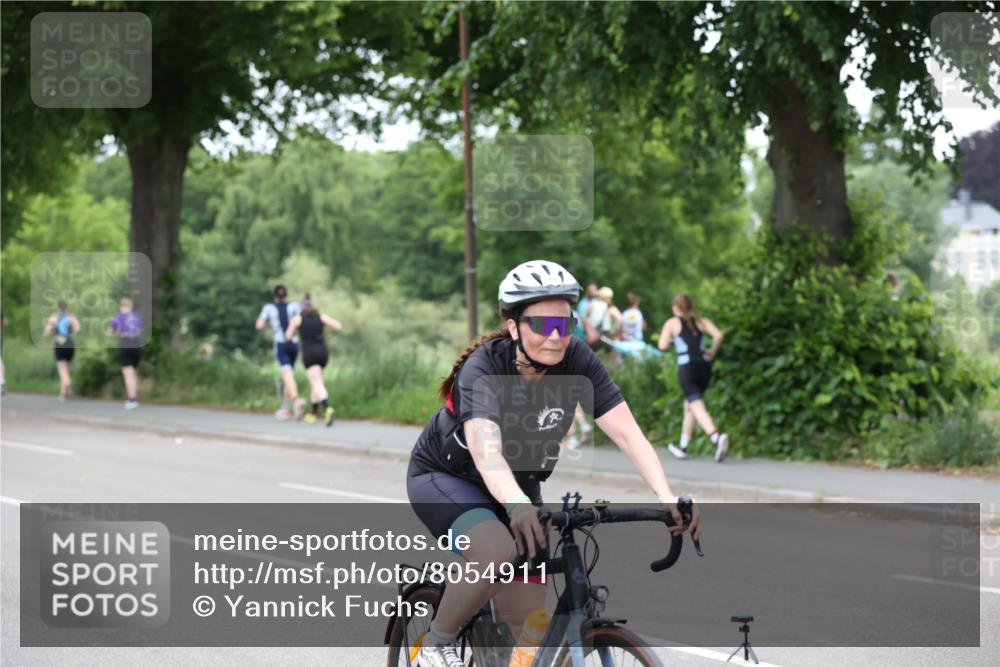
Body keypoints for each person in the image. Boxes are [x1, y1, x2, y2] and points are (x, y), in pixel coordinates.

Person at [407, 260, 701, 666]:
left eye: (565, 324)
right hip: (448, 478)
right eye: (542, 325)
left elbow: (628, 434)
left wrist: (665, 494)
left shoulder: (577, 360)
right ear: (514, 327)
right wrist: (516, 505)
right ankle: (436, 645)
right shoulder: (484, 369)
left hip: (520, 486)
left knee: (528, 628)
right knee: (495, 552)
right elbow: (485, 449)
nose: (556, 336)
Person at [657, 293, 729, 462]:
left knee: (696, 405)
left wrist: (672, 341)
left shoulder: (672, 323)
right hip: (704, 367)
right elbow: (719, 335)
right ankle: (683, 446)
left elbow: (662, 345)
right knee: (690, 404)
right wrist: (712, 350)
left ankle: (715, 437)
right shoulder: (701, 321)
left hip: (687, 368)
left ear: (676, 308)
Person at [284, 293, 342, 426]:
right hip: (323, 352)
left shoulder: (298, 319)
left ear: (301, 307)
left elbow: (288, 335)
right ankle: (313, 414)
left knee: (316, 383)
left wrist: (293, 334)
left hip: (309, 353)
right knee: (316, 382)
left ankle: (327, 407)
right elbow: (338, 326)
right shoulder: (321, 316)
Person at [256, 285, 304, 420]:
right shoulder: (294, 306)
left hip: (281, 343)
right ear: (286, 295)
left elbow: (259, 325)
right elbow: (300, 321)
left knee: (287, 375)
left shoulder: (269, 308)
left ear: (274, 295)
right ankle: (286, 408)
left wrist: (271, 324)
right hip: (294, 343)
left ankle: (296, 400)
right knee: (289, 376)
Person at [107, 297, 144, 410]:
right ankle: (134, 397)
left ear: (121, 306)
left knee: (128, 374)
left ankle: (132, 399)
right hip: (137, 344)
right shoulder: (137, 316)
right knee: (133, 372)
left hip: (125, 343)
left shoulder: (119, 316)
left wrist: (114, 331)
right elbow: (140, 330)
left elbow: (110, 331)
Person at [43, 300, 80, 401]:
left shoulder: (54, 317)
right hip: (70, 342)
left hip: (60, 342)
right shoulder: (71, 317)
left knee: (61, 368)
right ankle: (63, 394)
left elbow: (46, 332)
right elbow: (77, 329)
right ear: (67, 307)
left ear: (58, 307)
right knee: (65, 368)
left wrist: (52, 331)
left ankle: (69, 385)